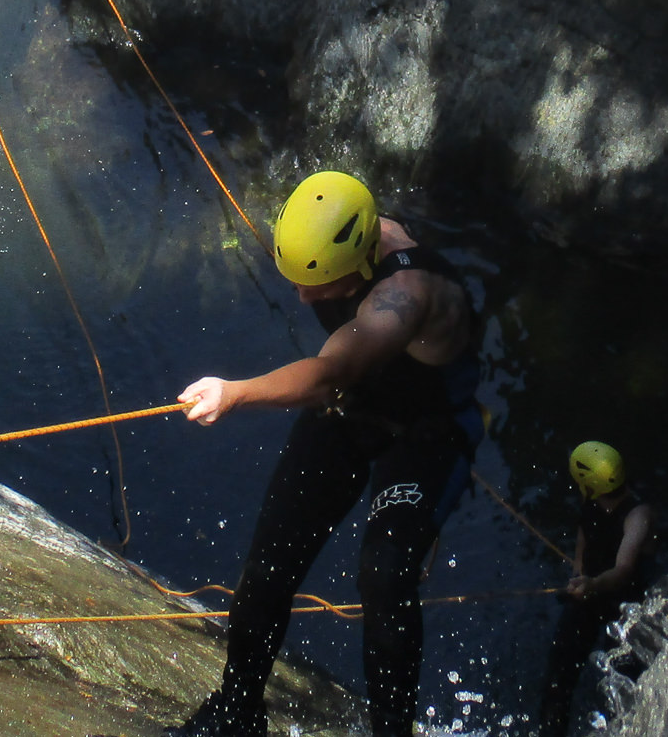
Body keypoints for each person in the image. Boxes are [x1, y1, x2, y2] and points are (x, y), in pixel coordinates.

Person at [172, 172, 482, 737]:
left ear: (361, 268)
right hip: (353, 408)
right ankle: (237, 712)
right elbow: (339, 380)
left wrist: (235, 392)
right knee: (269, 564)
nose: (301, 296)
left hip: (422, 433)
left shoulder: (405, 297)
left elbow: (329, 372)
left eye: (316, 285)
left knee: (384, 577)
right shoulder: (328, 232)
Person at [536, 442, 654, 737]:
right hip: (589, 595)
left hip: (626, 604)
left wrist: (592, 584)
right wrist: (578, 578)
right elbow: (582, 548)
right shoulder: (590, 506)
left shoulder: (638, 515)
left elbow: (624, 569)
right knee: (557, 679)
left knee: (626, 683)